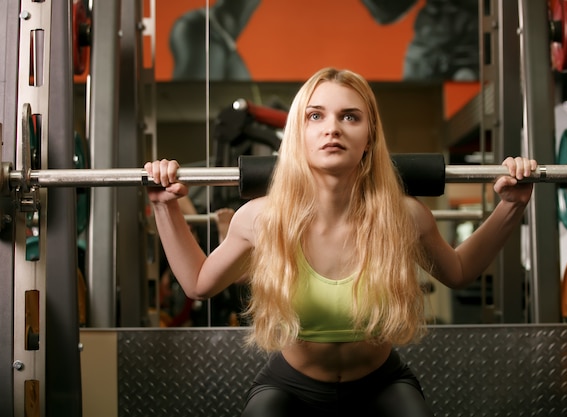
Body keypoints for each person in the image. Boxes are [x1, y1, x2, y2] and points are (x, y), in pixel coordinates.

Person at [145, 67, 537, 417]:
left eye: (350, 116)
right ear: (300, 135)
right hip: (289, 385)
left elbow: (460, 271)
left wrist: (511, 206)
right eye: (316, 116)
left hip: (381, 383)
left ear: (369, 136)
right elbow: (199, 282)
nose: (332, 128)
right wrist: (166, 206)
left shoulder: (403, 215)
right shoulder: (262, 218)